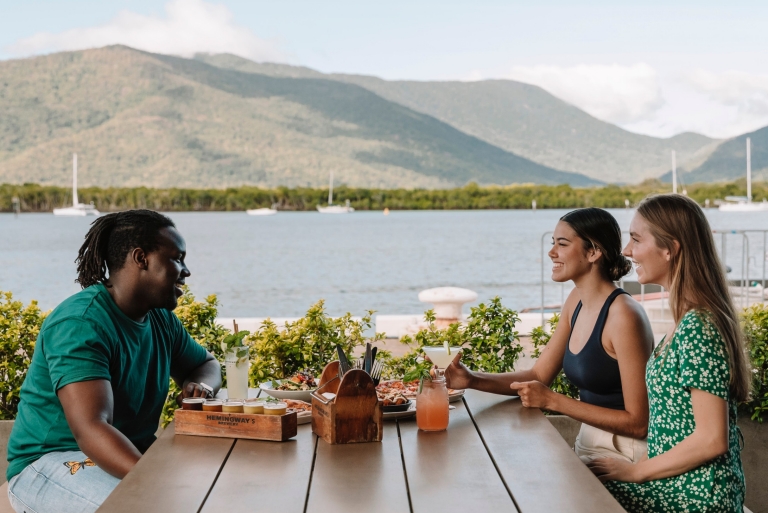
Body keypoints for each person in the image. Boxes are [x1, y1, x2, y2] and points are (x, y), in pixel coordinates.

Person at [6, 210, 222, 513]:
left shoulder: (160, 319)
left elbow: (206, 364)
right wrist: (154, 479)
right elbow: (92, 428)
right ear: (141, 258)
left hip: (121, 457)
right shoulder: (81, 323)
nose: (186, 271)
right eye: (177, 258)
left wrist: (201, 385)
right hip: (51, 462)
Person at [445, 207, 654, 463]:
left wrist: (554, 401)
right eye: (553, 242)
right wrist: (471, 379)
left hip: (624, 451)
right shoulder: (576, 300)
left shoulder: (624, 315)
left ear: (593, 252)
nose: (551, 252)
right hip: (588, 440)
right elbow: (538, 376)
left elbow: (638, 423)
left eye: (562, 244)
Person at [588, 194, 749, 512]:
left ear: (670, 248)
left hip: (696, 498)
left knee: (572, 494)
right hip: (677, 485)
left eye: (635, 238)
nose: (626, 251)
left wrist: (634, 471)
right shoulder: (688, 320)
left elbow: (711, 439)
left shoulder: (699, 326)